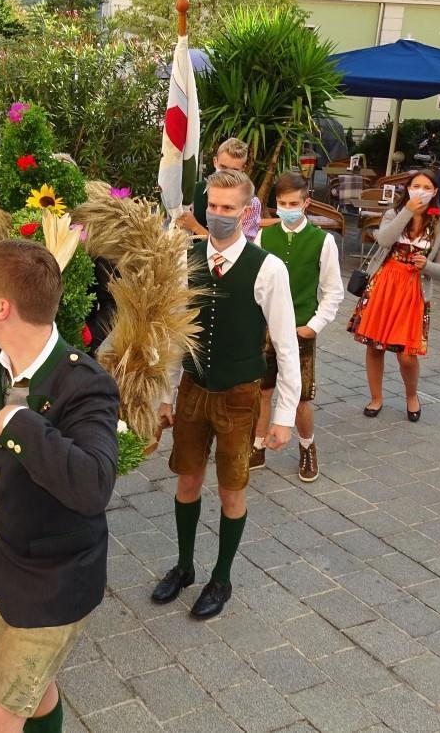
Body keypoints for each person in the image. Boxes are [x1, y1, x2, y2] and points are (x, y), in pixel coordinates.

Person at [0, 240, 119, 733]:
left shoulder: (85, 384)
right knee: (37, 694)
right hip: (2, 570)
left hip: (53, 584)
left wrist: (21, 423)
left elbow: (94, 484)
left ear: (2, 307)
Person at [153, 169, 300, 620]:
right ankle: (184, 566)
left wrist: (283, 416)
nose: (218, 214)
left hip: (239, 393)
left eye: (228, 207)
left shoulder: (267, 268)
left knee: (231, 489)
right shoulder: (185, 260)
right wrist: (165, 395)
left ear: (246, 210)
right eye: (212, 206)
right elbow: (175, 334)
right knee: (187, 480)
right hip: (193, 389)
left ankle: (222, 577)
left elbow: (286, 345)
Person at [251, 171, 343, 481]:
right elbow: (256, 283)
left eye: (293, 203)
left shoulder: (322, 241)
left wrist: (314, 325)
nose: (287, 209)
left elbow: (333, 291)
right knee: (263, 390)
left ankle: (307, 446)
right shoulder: (265, 236)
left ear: (306, 203)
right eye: (282, 204)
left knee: (301, 397)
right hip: (265, 328)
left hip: (300, 328)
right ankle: (258, 444)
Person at [347, 169, 440, 421]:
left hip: (413, 291)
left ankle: (411, 395)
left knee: (406, 355)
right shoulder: (394, 214)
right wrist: (407, 211)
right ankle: (376, 397)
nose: (421, 192)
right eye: (416, 186)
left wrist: (426, 265)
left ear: (435, 192)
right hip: (384, 285)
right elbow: (384, 240)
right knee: (375, 346)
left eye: (427, 188)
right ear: (407, 189)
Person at [177, 138, 263, 240]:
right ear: (215, 161)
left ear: (243, 168)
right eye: (223, 167)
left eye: (234, 170)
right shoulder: (195, 191)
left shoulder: (251, 203)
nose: (227, 174)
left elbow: (241, 245)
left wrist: (195, 227)